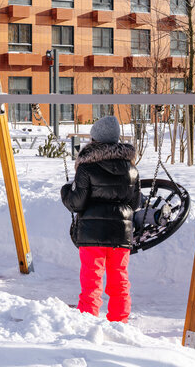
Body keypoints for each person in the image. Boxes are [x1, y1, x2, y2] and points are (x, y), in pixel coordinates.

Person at [60, 116, 141, 323]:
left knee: (91, 282)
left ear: (94, 139)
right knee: (119, 281)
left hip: (92, 234)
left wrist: (66, 191)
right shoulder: (131, 170)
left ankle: (87, 322)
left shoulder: (87, 168)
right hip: (120, 234)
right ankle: (119, 323)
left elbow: (76, 203)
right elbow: (135, 203)